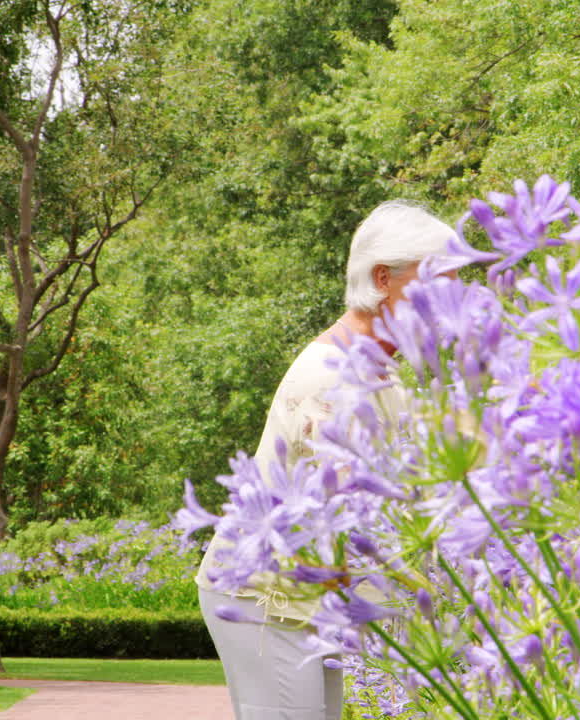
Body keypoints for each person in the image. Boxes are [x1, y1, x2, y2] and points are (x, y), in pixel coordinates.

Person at [195, 200, 456, 720]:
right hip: (267, 597)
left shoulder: (382, 371)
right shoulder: (332, 377)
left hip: (316, 601)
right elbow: (356, 512)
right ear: (383, 278)